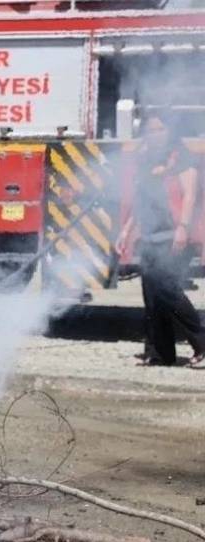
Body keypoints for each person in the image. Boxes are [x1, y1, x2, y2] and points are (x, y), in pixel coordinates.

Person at [116, 111, 205, 367]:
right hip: (150, 236)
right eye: (150, 131)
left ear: (170, 131)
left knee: (168, 291)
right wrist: (126, 230)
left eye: (159, 129)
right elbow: (140, 201)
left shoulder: (182, 159)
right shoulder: (146, 162)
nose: (155, 135)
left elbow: (189, 195)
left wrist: (183, 228)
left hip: (173, 235)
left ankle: (201, 343)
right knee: (152, 296)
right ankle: (160, 353)